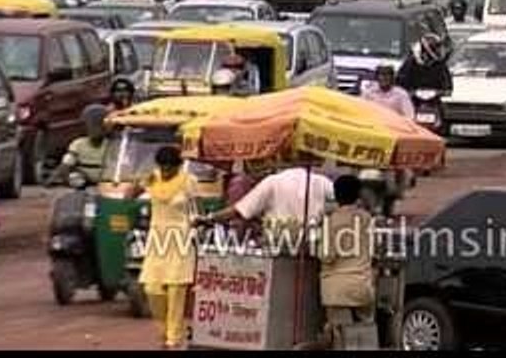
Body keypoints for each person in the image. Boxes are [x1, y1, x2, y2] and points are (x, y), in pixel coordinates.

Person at [130, 146, 199, 349]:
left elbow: (196, 208)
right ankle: (164, 330)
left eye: (171, 167)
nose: (167, 171)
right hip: (157, 239)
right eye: (164, 167)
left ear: (178, 166)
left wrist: (197, 225)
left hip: (180, 239)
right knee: (152, 288)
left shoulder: (189, 181)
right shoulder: (153, 177)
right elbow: (129, 195)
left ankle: (173, 339)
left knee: (176, 289)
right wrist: (138, 183)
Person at [319, 174, 376, 348]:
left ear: (335, 196)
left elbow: (326, 255)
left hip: (338, 290)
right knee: (364, 337)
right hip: (362, 287)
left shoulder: (331, 221)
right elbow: (372, 250)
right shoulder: (367, 219)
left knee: (342, 339)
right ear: (358, 194)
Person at [201, 166, 335, 226]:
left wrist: (209, 218)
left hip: (278, 248)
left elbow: (240, 210)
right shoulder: (321, 181)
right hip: (310, 249)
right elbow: (344, 199)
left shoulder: (273, 181)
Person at [49, 104, 110, 186]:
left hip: (108, 178)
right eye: (91, 125)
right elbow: (66, 164)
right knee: (75, 177)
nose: (95, 129)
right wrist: (55, 177)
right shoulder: (78, 144)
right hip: (83, 178)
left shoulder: (112, 144)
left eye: (99, 125)